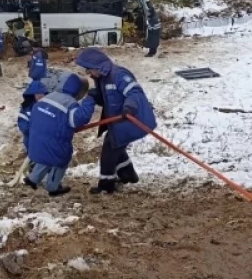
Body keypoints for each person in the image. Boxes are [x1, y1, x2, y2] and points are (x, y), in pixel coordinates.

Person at [75, 47, 157, 194]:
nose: (89, 74)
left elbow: (135, 93)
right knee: (115, 147)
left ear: (98, 67)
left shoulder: (119, 75)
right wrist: (96, 96)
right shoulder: (101, 78)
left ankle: (106, 186)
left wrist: (129, 107)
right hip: (118, 122)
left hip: (131, 120)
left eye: (89, 70)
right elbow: (109, 98)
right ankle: (128, 175)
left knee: (109, 153)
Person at [24, 74, 96, 196]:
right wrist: (90, 100)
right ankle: (53, 187)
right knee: (60, 159)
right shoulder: (70, 103)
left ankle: (33, 179)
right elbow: (79, 119)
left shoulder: (48, 97)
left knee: (46, 155)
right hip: (54, 144)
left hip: (34, 142)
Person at [18, 80, 48, 155]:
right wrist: (37, 133)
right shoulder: (26, 109)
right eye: (37, 93)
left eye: (42, 93)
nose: (40, 95)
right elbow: (23, 126)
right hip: (32, 142)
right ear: (33, 94)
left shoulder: (50, 107)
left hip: (48, 144)